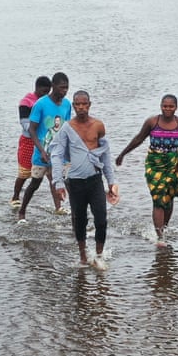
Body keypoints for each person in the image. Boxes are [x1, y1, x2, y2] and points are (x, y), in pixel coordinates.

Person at [51, 90, 119, 269]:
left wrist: (111, 181)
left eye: (84, 104)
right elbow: (57, 154)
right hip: (75, 182)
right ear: (73, 106)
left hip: (95, 180)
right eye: (77, 104)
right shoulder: (67, 128)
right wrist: (58, 182)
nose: (81, 107)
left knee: (101, 220)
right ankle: (82, 254)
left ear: (89, 104)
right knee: (79, 220)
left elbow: (104, 154)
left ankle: (98, 255)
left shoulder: (98, 125)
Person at [115, 94, 178, 246]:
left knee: (168, 198)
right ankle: (160, 236)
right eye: (165, 106)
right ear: (160, 106)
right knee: (158, 198)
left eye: (171, 106)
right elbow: (139, 138)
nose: (167, 109)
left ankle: (164, 228)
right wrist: (123, 154)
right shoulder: (152, 122)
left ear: (176, 107)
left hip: (174, 164)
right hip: (154, 164)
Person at [18, 71, 72, 223]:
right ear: (53, 86)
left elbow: (66, 127)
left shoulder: (67, 104)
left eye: (67, 88)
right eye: (62, 87)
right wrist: (41, 150)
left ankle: (58, 208)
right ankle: (22, 211)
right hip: (42, 153)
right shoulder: (40, 104)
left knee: (58, 180)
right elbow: (32, 129)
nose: (65, 91)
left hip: (58, 153)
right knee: (35, 183)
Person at [12, 75, 53, 207]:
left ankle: (58, 205)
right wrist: (36, 129)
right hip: (29, 141)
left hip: (45, 141)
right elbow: (24, 123)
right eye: (43, 92)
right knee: (24, 172)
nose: (45, 95)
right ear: (36, 88)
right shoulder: (26, 102)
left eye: (48, 92)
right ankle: (15, 197)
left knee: (51, 173)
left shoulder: (48, 102)